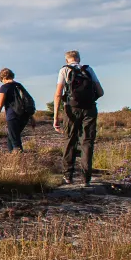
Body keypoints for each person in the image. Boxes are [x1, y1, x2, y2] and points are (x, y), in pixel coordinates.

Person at [51, 51, 103, 185]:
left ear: (67, 59)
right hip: (89, 109)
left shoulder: (64, 70)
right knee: (87, 142)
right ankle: (86, 179)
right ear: (79, 59)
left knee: (70, 141)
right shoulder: (88, 69)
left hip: (71, 109)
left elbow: (58, 94)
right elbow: (101, 92)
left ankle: (68, 176)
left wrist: (56, 116)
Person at [0, 69, 33, 152]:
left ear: (3, 78)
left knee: (15, 141)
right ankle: (12, 157)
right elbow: (25, 101)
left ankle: (18, 160)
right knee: (11, 137)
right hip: (24, 116)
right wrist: (31, 117)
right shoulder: (19, 85)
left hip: (13, 115)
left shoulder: (4, 87)